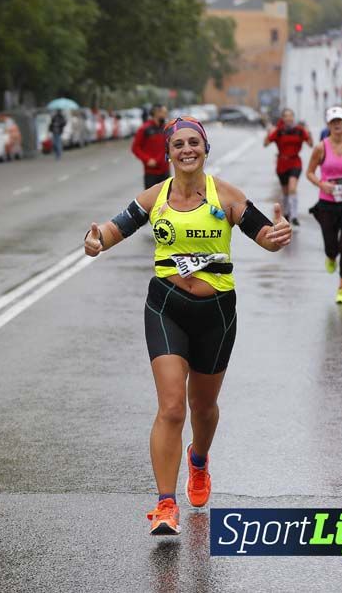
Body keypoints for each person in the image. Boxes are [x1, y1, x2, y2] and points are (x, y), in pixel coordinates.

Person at [84, 116, 292, 536]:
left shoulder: (226, 195)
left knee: (204, 407)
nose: (186, 150)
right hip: (167, 306)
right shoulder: (155, 197)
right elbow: (114, 229)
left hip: (216, 312)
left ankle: (198, 460)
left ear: (205, 149)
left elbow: (263, 234)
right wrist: (96, 241)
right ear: (168, 153)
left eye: (194, 142)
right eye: (178, 144)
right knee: (172, 407)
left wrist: (275, 237)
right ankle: (165, 505)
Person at [306, 106, 342, 304]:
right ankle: (331, 257)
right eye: (333, 121)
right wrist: (321, 184)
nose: (337, 124)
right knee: (332, 247)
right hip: (327, 204)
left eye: (340, 120)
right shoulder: (321, 148)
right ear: (328, 125)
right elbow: (309, 172)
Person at [263, 108, 311, 226]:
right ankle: (287, 213)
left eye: (290, 116)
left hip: (295, 162)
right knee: (285, 191)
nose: (289, 118)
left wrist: (308, 132)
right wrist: (268, 132)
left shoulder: (299, 130)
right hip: (282, 163)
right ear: (283, 118)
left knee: (292, 188)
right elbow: (266, 144)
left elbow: (310, 144)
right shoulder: (279, 131)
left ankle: (294, 216)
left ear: (293, 117)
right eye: (286, 116)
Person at [131, 104, 170, 189]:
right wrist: (147, 159)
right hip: (151, 173)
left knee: (167, 196)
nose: (166, 115)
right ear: (156, 113)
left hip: (165, 170)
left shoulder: (166, 128)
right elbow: (135, 148)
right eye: (164, 113)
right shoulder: (144, 129)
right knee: (151, 197)